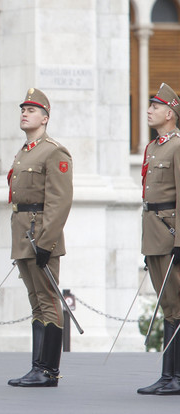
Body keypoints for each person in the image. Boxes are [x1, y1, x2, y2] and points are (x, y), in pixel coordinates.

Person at [7, 88, 72, 388]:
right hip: (23, 235)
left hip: (41, 237)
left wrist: (47, 242)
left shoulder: (54, 151)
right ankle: (37, 367)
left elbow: (59, 202)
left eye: (31, 110)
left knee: (47, 302)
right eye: (23, 109)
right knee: (36, 303)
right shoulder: (24, 152)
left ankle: (49, 371)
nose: (24, 113)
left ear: (45, 118)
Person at [138, 83, 180, 396]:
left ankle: (175, 376)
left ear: (170, 112)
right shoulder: (153, 148)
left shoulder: (177, 147)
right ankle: (168, 375)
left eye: (155, 106)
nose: (149, 110)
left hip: (170, 234)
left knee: (175, 305)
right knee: (167, 305)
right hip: (154, 234)